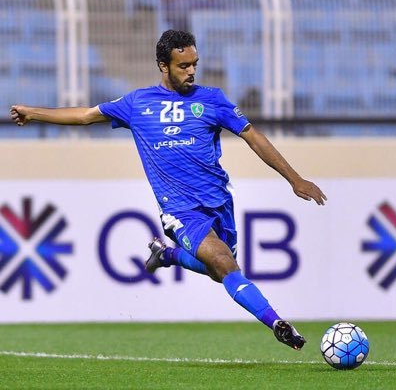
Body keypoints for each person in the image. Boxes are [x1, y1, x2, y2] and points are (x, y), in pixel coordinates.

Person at [10, 29, 327, 350]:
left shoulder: (212, 99)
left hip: (219, 203)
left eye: (194, 64)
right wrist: (33, 113)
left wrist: (294, 179)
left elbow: (253, 137)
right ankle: (278, 323)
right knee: (224, 263)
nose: (191, 71)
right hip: (179, 210)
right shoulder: (137, 103)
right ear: (164, 65)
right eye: (183, 66)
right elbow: (86, 116)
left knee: (221, 270)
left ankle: (167, 255)